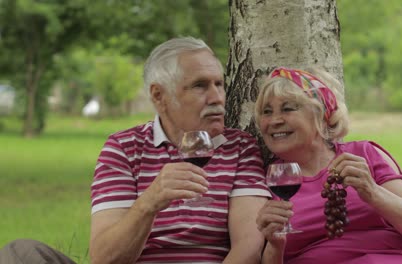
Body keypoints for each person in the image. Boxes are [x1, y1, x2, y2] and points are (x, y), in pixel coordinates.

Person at [0, 36, 271, 264]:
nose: (217, 97)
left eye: (219, 84)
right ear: (158, 96)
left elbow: (248, 247)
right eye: (200, 85)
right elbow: (105, 257)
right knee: (21, 253)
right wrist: (150, 202)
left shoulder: (240, 147)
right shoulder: (123, 148)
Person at [254, 67, 402, 264]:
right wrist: (275, 245)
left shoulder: (364, 155)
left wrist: (373, 192)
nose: (274, 120)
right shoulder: (267, 181)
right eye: (266, 112)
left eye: (287, 109)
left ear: (322, 114)